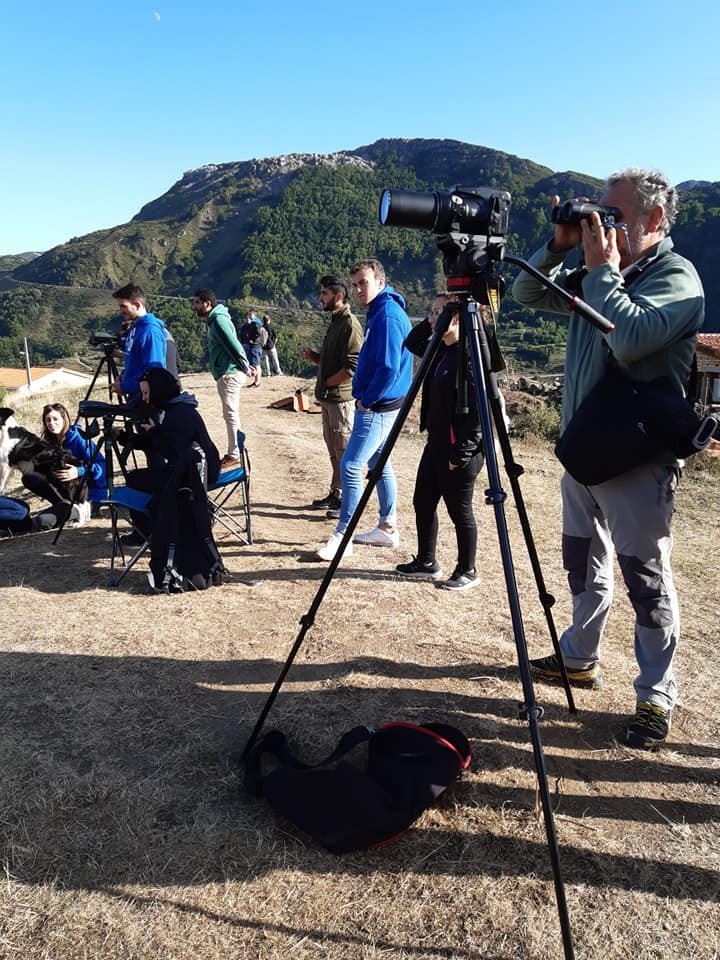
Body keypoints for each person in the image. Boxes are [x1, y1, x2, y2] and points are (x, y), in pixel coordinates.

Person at [512, 168, 705, 751]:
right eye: (599, 213)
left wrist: (601, 270)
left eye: (613, 215)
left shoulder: (677, 278)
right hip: (584, 446)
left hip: (636, 454)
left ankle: (655, 694)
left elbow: (627, 336)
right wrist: (559, 247)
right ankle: (579, 656)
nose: (602, 224)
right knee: (582, 560)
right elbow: (524, 292)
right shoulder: (596, 267)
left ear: (653, 219)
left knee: (647, 580)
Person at [316, 258, 412, 561]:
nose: (358, 289)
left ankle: (342, 537)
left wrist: (367, 399)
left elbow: (387, 367)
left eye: (364, 283)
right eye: (355, 284)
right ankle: (387, 527)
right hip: (384, 403)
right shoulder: (381, 310)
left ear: (380, 282)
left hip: (379, 406)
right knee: (379, 464)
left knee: (351, 465)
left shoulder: (386, 316)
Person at [397, 294, 484, 591]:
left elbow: (480, 414)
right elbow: (411, 342)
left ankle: (467, 570)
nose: (432, 317)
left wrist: (461, 453)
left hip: (457, 451)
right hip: (435, 444)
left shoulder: (469, 357)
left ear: (458, 318)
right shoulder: (440, 351)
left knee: (460, 511)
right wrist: (436, 319)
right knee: (422, 502)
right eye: (432, 311)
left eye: (440, 312)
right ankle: (426, 561)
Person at [126, 367, 225, 590]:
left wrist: (153, 433)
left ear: (158, 390)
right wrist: (138, 438)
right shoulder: (179, 408)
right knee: (142, 478)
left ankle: (144, 532)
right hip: (194, 470)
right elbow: (170, 446)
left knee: (136, 479)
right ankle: (146, 531)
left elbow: (173, 453)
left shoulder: (178, 416)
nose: (144, 398)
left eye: (145, 393)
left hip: (195, 477)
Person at [300, 275, 363, 513]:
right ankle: (336, 494)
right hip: (328, 399)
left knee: (344, 451)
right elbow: (332, 360)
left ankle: (348, 501)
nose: (320, 298)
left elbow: (351, 366)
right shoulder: (336, 321)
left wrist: (328, 382)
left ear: (338, 297)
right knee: (333, 449)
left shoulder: (349, 325)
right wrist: (314, 357)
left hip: (340, 401)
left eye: (324, 294)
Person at [192, 289, 253, 470]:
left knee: (231, 414)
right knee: (230, 414)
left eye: (197, 302)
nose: (194, 306)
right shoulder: (216, 320)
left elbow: (232, 344)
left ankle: (234, 454)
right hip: (227, 372)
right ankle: (234, 452)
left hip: (229, 374)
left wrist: (244, 365)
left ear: (207, 303)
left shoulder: (218, 320)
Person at [21, 402, 107, 523]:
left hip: (89, 495)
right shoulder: (49, 443)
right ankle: (62, 504)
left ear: (64, 419)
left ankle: (83, 509)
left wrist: (79, 471)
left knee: (42, 521)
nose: (52, 423)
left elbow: (102, 466)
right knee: (29, 477)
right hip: (66, 492)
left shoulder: (79, 439)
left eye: (55, 419)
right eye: (48, 420)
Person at [110, 284, 168, 403]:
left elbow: (154, 372)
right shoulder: (134, 329)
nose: (120, 311)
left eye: (123, 306)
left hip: (147, 400)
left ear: (137, 305)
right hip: (136, 397)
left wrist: (125, 387)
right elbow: (135, 361)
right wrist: (123, 376)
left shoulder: (150, 331)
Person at [240, 309, 264, 388]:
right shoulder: (256, 322)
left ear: (253, 314)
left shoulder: (255, 323)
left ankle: (257, 382)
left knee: (256, 364)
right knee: (256, 363)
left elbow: (257, 332)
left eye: (250, 314)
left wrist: (252, 340)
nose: (248, 315)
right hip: (256, 345)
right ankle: (256, 381)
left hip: (255, 345)